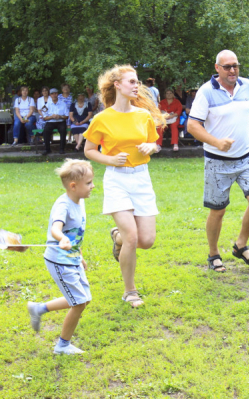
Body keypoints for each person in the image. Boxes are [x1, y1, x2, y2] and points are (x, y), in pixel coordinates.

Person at [83, 64, 163, 308]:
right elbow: (88, 151)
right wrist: (109, 159)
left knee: (146, 240)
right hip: (117, 179)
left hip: (142, 178)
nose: (136, 85)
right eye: (131, 81)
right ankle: (130, 291)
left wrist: (152, 147)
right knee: (132, 237)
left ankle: (117, 237)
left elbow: (154, 143)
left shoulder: (143, 116)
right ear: (117, 85)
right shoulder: (102, 118)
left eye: (137, 81)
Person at [188, 49, 249, 273]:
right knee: (218, 210)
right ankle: (213, 254)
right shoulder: (206, 92)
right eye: (227, 67)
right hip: (217, 161)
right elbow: (192, 125)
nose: (232, 70)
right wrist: (215, 142)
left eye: (235, 65)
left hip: (246, 157)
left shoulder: (247, 86)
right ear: (217, 68)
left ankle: (241, 245)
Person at [26, 159, 94, 355]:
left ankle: (38, 309)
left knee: (84, 299)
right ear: (74, 186)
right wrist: (62, 238)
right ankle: (62, 346)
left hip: (71, 258)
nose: (93, 186)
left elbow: (76, 232)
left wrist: (78, 254)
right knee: (79, 302)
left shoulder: (79, 201)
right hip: (59, 260)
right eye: (88, 183)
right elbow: (57, 228)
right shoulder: (63, 205)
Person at [40, 88, 69, 156]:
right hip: (51, 121)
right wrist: (52, 117)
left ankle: (62, 149)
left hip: (60, 121)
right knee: (46, 130)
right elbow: (44, 117)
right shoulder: (47, 105)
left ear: (57, 94)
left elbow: (66, 116)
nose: (54, 95)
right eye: (52, 94)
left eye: (55, 93)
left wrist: (60, 116)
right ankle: (47, 149)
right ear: (50, 95)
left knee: (63, 130)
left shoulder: (63, 104)